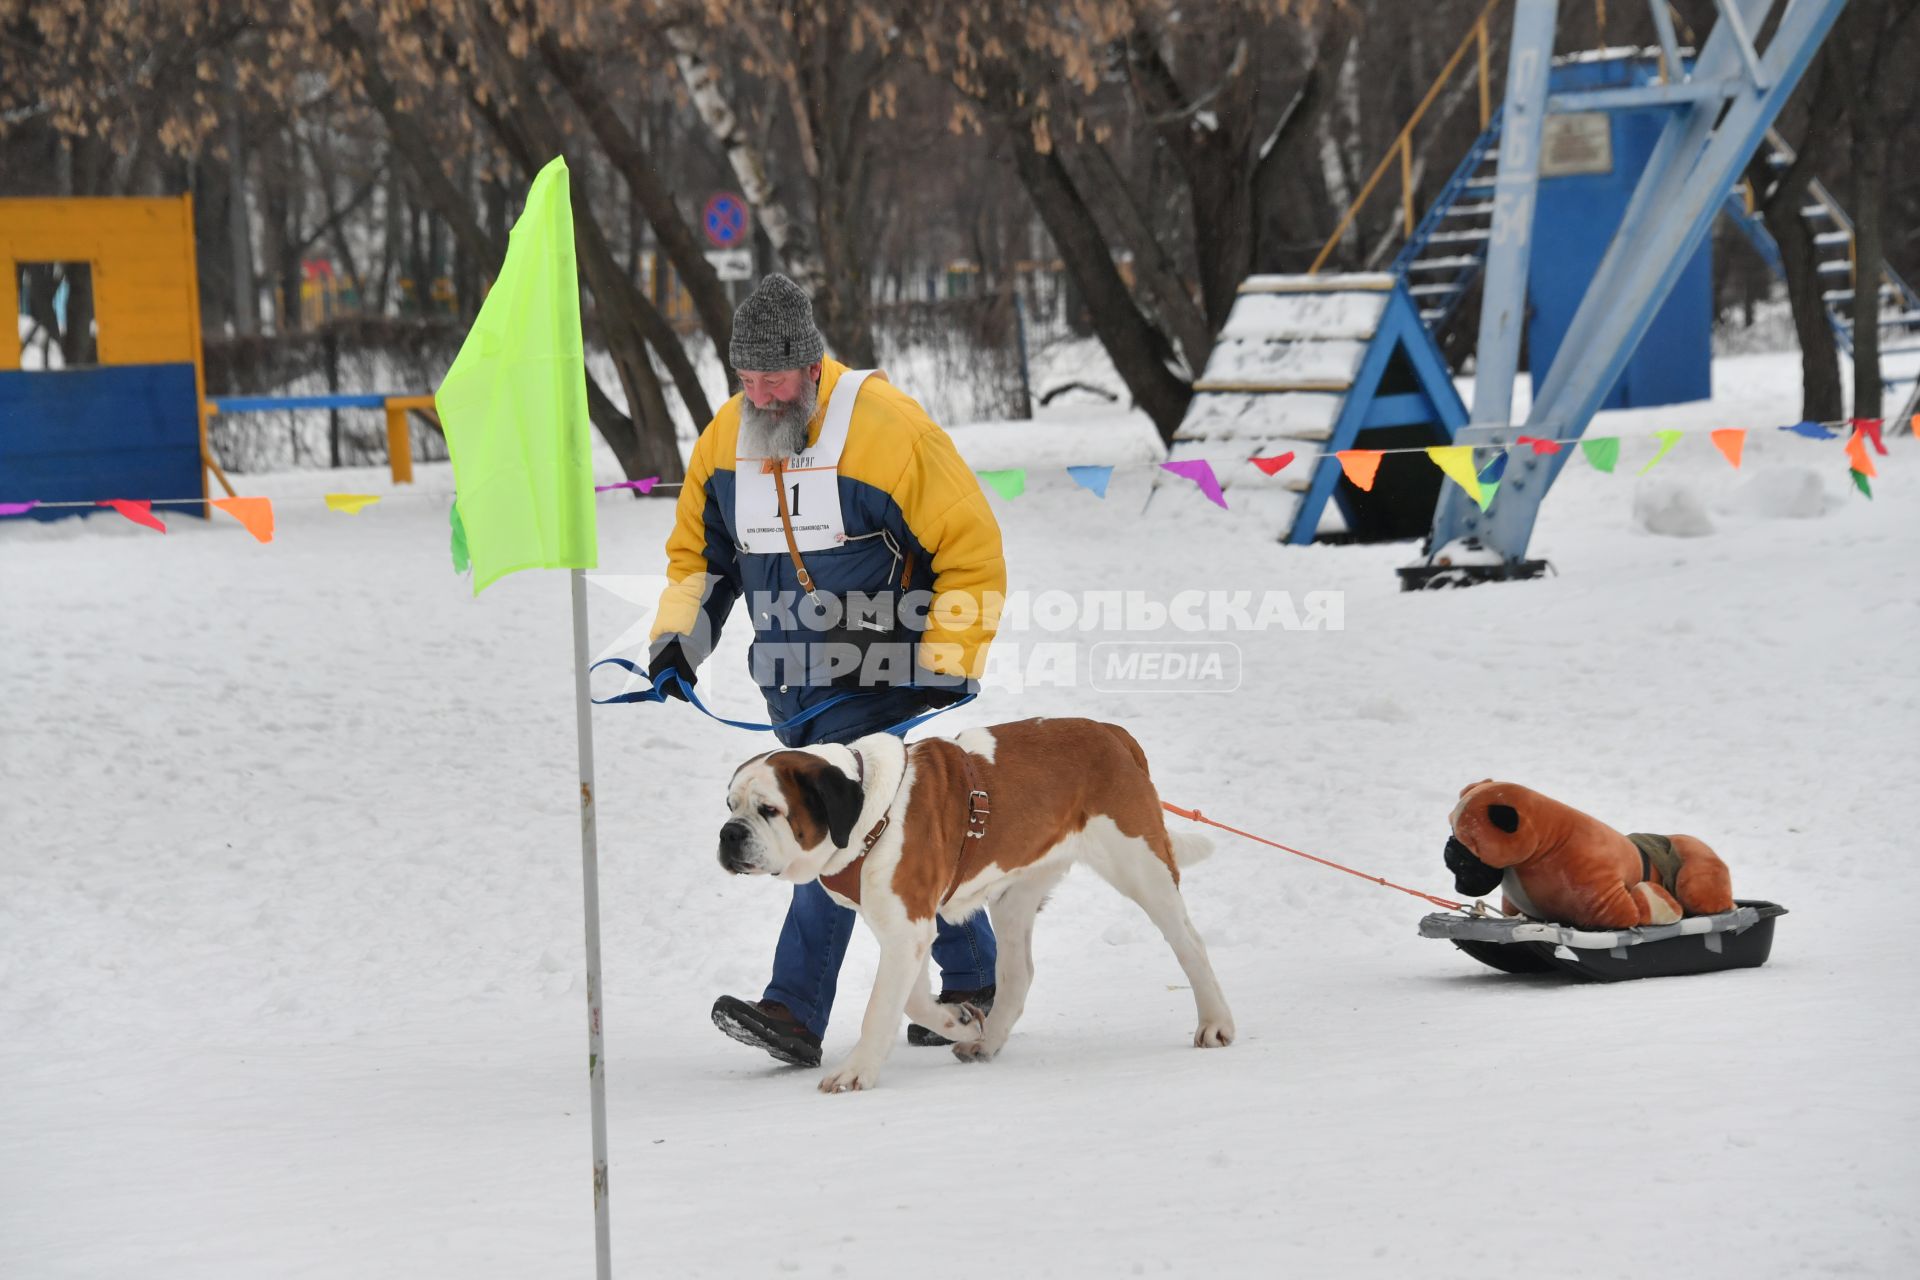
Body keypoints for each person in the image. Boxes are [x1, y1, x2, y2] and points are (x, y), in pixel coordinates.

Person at [648, 273, 1005, 1067]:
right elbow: (700, 562)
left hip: (888, 673)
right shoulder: (724, 444)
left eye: (775, 377)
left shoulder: (887, 430)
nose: (761, 395)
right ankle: (975, 977)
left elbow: (972, 548)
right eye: (746, 379)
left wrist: (947, 659)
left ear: (812, 366)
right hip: (793, 686)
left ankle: (795, 1008)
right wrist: (678, 644)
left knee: (830, 834)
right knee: (896, 839)